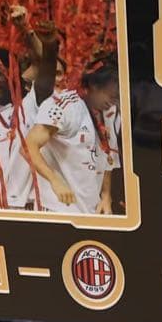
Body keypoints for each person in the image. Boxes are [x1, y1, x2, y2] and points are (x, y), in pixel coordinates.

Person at [0, 19, 59, 210]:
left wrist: (45, 43)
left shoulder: (30, 106)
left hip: (17, 206)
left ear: (12, 75)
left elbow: (45, 71)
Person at [26, 65, 120, 214]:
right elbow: (29, 145)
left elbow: (108, 156)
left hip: (89, 207)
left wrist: (106, 195)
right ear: (94, 85)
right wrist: (54, 180)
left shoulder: (111, 112)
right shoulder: (65, 105)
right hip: (57, 206)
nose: (114, 100)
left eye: (117, 97)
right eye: (112, 94)